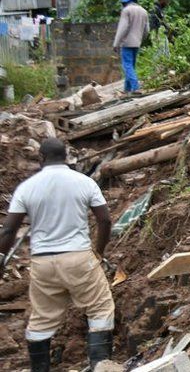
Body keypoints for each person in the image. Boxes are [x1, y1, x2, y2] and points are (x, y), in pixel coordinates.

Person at [0, 138, 114, 371]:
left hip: (42, 261)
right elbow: (104, 220)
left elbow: (10, 228)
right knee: (100, 308)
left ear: (41, 158)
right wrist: (98, 252)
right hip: (78, 256)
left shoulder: (27, 187)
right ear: (66, 157)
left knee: (42, 317)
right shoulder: (84, 182)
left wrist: (1, 257)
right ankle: (99, 364)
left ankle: (40, 368)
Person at [113, 0, 149, 94]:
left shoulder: (126, 10)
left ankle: (135, 87)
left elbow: (122, 28)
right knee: (131, 66)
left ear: (125, 2)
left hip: (127, 43)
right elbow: (147, 30)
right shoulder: (143, 11)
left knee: (127, 66)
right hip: (137, 42)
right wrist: (140, 39)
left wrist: (116, 43)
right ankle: (127, 89)